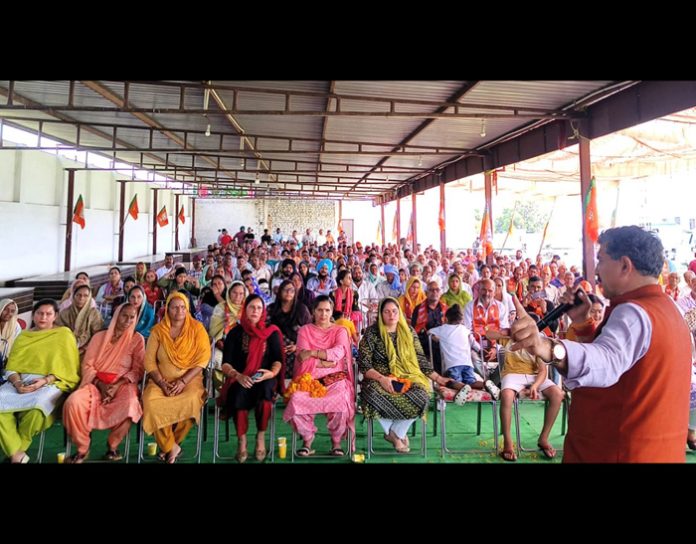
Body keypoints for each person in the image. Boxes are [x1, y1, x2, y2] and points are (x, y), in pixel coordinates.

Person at [509, 226, 691, 462]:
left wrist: (545, 346)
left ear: (625, 266)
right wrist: (584, 325)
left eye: (601, 260)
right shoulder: (670, 309)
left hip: (618, 451)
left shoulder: (634, 313)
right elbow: (628, 365)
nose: (596, 271)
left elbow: (606, 362)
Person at [62, 303, 145, 463]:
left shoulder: (137, 339)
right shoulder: (99, 337)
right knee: (73, 403)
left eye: (132, 317)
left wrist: (117, 384)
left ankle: (113, 446)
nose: (128, 320)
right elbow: (87, 365)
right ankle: (82, 447)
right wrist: (101, 384)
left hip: (123, 384)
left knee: (130, 405)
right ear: (116, 315)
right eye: (124, 315)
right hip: (94, 383)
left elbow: (138, 369)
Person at [0, 299, 80, 463]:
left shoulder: (64, 335)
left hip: (50, 383)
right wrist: (17, 383)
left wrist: (44, 381)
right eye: (39, 313)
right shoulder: (24, 336)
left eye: (48, 314)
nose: (43, 317)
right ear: (33, 316)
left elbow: (69, 369)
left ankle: (15, 453)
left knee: (37, 412)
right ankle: (18, 456)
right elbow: (11, 368)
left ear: (55, 316)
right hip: (19, 382)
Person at [358, 297, 439, 453]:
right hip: (377, 378)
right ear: (380, 314)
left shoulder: (408, 331)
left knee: (422, 395)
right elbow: (364, 365)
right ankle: (397, 436)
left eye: (394, 311)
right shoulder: (372, 333)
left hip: (407, 376)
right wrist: (382, 379)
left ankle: (395, 433)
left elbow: (421, 359)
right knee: (373, 395)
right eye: (387, 312)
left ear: (399, 312)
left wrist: (438, 378)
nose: (391, 315)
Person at [141, 293, 211, 464]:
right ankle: (171, 448)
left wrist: (182, 382)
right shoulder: (158, 331)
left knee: (191, 401)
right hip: (161, 380)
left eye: (182, 307)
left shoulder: (197, 329)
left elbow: (203, 359)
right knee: (150, 401)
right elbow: (149, 362)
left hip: (190, 380)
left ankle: (170, 445)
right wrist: (161, 383)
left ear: (187, 309)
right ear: (167, 310)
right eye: (174, 307)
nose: (179, 310)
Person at [283, 296, 355, 456]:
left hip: (335, 378)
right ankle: (307, 439)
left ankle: (336, 442)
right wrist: (325, 362)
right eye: (320, 310)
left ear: (331, 312)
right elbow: (302, 356)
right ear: (313, 312)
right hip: (309, 378)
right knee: (296, 400)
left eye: (327, 310)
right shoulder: (305, 330)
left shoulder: (340, 330)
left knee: (341, 402)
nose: (323, 314)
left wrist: (314, 353)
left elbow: (338, 353)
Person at [219, 294, 284, 463]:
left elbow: (278, 359)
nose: (255, 311)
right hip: (239, 378)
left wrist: (271, 373)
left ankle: (260, 437)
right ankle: (242, 442)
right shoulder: (235, 332)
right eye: (251, 307)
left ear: (263, 311)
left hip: (264, 378)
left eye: (259, 308)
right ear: (245, 310)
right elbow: (225, 364)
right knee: (239, 393)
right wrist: (238, 376)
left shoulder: (271, 332)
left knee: (265, 394)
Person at [267, 280, 311, 379]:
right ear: (279, 292)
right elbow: (265, 331)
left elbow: (310, 333)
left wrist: (297, 346)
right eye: (285, 290)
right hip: (275, 351)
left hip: (296, 351)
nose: (288, 293)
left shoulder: (302, 309)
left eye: (291, 290)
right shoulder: (271, 309)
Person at [56, 282, 104, 358]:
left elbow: (97, 336)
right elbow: (59, 333)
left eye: (85, 296)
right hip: (66, 348)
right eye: (78, 295)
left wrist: (84, 348)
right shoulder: (65, 313)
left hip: (88, 350)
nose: (81, 298)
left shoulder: (94, 314)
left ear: (89, 298)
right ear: (73, 296)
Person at [0, 299, 22, 375]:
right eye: (5, 310)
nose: (8, 313)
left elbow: (17, 346)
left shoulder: (16, 326)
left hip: (8, 361)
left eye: (12, 311)